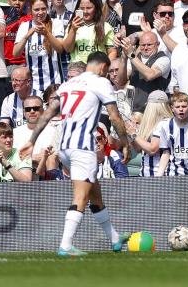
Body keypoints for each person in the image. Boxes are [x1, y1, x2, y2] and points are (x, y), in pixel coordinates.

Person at [20, 51, 129, 255]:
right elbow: (114, 116)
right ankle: (65, 245)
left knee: (95, 194)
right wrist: (125, 142)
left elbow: (48, 113)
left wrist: (31, 140)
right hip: (82, 148)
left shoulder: (67, 85)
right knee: (81, 197)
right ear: (103, 68)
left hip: (64, 147)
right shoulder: (100, 82)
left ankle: (114, 238)